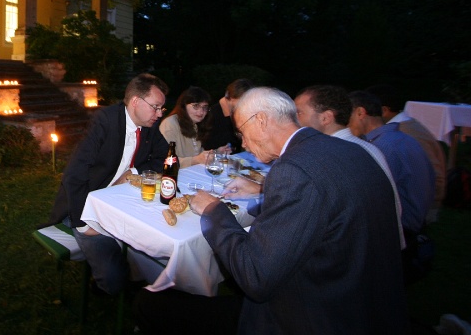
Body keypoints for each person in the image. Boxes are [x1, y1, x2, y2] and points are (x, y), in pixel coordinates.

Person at [135, 87, 408, 334]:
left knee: (149, 304)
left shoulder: (292, 170)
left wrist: (214, 211)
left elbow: (255, 276)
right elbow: (324, 204)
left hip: (311, 316)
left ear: (261, 121)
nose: (242, 143)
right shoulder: (354, 150)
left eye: (241, 132)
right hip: (368, 304)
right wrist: (264, 190)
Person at [47, 73, 170, 295]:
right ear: (136, 101)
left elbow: (164, 157)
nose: (160, 114)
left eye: (162, 108)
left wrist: (133, 173)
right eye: (156, 107)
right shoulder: (105, 121)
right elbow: (75, 174)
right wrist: (83, 222)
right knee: (114, 279)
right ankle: (107, 286)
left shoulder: (150, 125)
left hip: (122, 200)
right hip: (86, 205)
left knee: (155, 241)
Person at [293, 84, 404, 248]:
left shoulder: (329, 154)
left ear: (326, 118)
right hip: (381, 247)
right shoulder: (368, 148)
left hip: (354, 252)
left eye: (299, 113)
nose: (294, 120)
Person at [347, 90, 435, 237]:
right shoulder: (404, 139)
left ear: (360, 113)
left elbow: (370, 197)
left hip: (399, 230)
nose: (345, 124)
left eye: (346, 116)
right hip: (416, 222)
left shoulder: (382, 147)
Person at [365, 84, 447, 223]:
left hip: (416, 210)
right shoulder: (408, 126)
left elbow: (435, 175)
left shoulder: (406, 133)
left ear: (384, 110)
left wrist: (425, 210)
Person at [159, 86, 223, 168]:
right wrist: (196, 160)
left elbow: (197, 154)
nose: (201, 112)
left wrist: (216, 152)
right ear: (184, 106)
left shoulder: (195, 123)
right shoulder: (170, 124)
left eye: (205, 107)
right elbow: (166, 160)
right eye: (196, 106)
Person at [205, 79, 255, 152]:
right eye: (243, 100)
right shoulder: (211, 114)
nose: (246, 104)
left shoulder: (238, 112)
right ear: (231, 97)